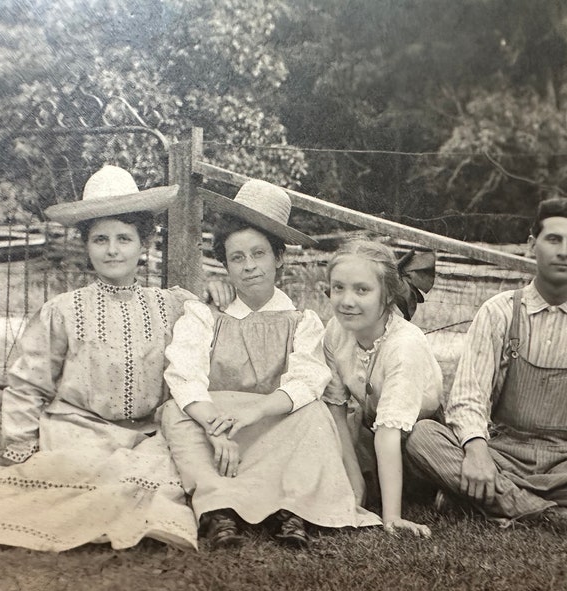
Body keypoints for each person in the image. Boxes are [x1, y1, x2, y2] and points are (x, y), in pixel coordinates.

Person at [0, 165, 200, 551]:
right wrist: (22, 446)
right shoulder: (64, 310)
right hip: (78, 430)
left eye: (124, 238)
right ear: (86, 245)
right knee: (78, 479)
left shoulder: (171, 307)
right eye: (100, 239)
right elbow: (29, 382)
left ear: (144, 244)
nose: (112, 250)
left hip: (147, 435)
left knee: (156, 476)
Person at [164, 179, 381, 549]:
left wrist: (254, 413)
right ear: (225, 265)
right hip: (217, 423)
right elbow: (185, 375)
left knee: (312, 414)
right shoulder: (204, 315)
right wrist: (215, 427)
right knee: (174, 412)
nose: (249, 267)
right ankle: (219, 508)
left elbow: (305, 380)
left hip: (270, 422)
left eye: (259, 254)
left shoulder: (302, 321)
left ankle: (292, 508)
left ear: (279, 257)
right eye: (237, 257)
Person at [406, 197, 567, 527]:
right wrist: (477, 453)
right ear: (531, 245)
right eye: (554, 239)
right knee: (422, 436)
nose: (564, 251)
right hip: (503, 454)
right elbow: (467, 398)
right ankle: (547, 514)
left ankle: (479, 499)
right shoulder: (501, 312)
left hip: (562, 463)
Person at [322, 240, 442, 538]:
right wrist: (354, 481)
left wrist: (392, 518)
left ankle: (441, 489)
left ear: (387, 294)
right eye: (339, 288)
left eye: (362, 290)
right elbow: (336, 410)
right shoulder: (336, 332)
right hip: (369, 432)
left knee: (419, 442)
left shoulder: (405, 345)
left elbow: (390, 433)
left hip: (415, 440)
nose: (347, 301)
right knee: (319, 424)